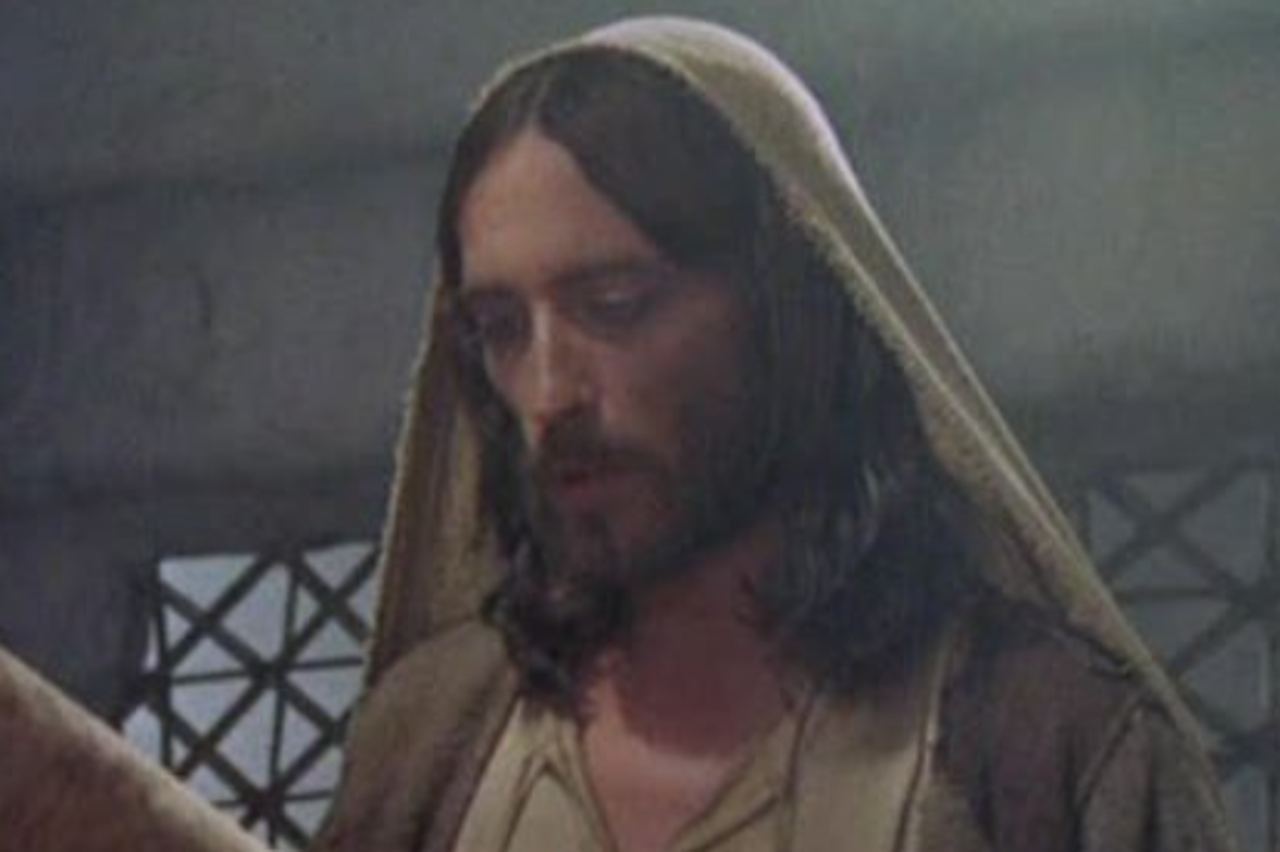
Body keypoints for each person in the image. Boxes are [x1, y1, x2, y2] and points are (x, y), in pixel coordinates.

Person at [313, 17, 1236, 852]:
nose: (546, 396)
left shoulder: (1049, 747)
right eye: (501, 330)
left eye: (616, 305)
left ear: (789, 314)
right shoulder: (432, 737)